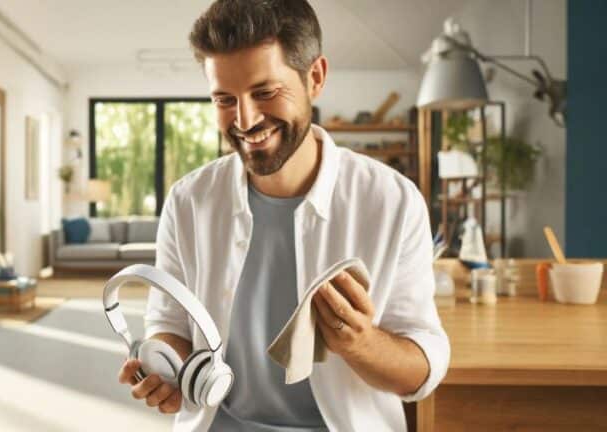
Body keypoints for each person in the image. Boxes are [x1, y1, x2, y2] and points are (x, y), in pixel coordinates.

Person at [117, 1, 450, 430]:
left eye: (264, 92)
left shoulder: (392, 201)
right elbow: (169, 325)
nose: (245, 119)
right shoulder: (189, 201)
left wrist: (361, 343)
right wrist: (169, 371)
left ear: (315, 77)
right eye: (224, 99)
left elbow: (421, 373)